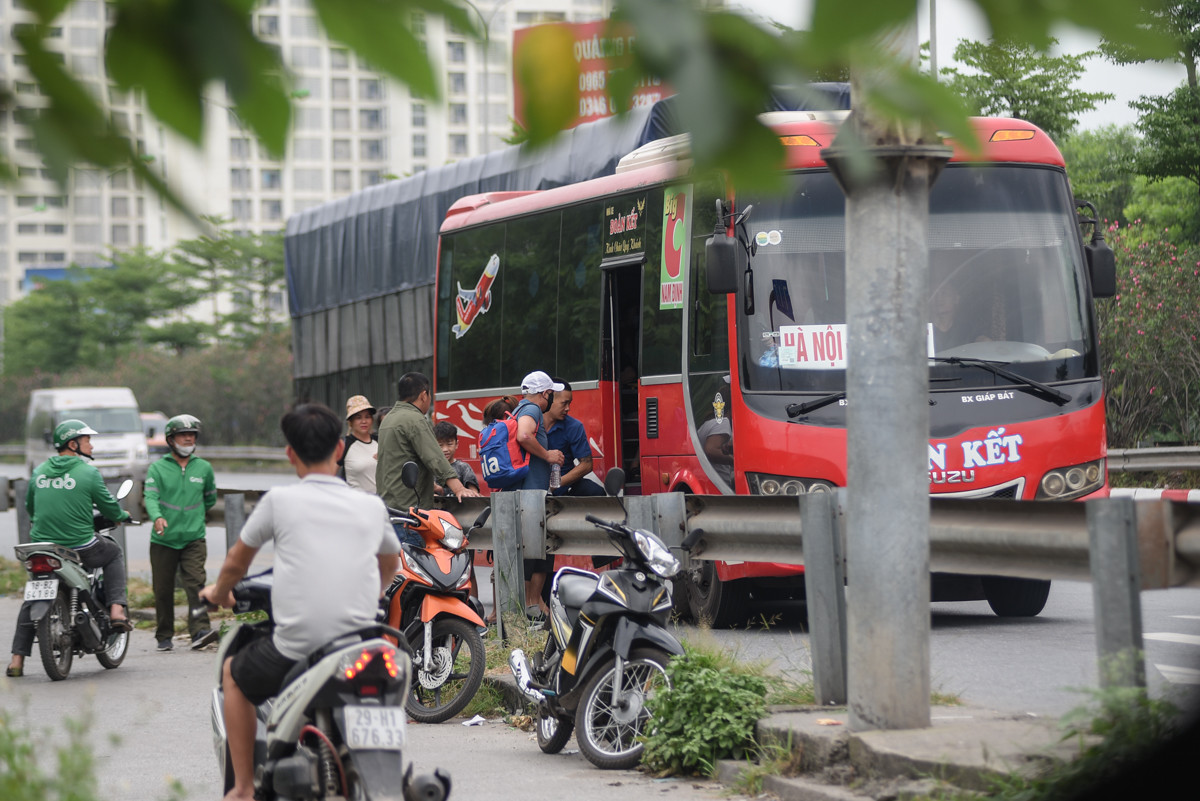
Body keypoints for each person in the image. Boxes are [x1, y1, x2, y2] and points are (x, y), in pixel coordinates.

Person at [199, 404, 400, 801]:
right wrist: (371, 595)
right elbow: (390, 564)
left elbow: (238, 561)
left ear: (290, 454)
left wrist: (219, 593)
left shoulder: (279, 501)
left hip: (297, 647)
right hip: (362, 643)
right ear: (340, 449)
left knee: (233, 675)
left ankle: (241, 789)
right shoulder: (371, 506)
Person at [7, 419, 132, 678]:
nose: (92, 445)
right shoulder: (88, 473)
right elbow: (109, 508)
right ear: (73, 444)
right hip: (79, 547)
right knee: (113, 552)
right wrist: (122, 514)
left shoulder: (39, 471)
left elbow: (31, 507)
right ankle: (117, 608)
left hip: (42, 547)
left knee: (33, 596)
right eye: (87, 440)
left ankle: (17, 660)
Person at [375, 372, 479, 547]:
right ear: (424, 395)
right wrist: (459, 488)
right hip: (410, 516)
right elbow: (435, 458)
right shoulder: (415, 419)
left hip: (389, 512)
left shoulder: (389, 419)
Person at [144, 413, 218, 653]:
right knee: (163, 589)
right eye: (182, 435)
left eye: (192, 435)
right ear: (170, 439)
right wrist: (158, 517)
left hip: (194, 538)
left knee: (196, 584)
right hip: (164, 539)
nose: (188, 439)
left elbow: (210, 499)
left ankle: (200, 631)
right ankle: (164, 635)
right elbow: (150, 497)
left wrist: (194, 520)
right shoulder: (157, 468)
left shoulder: (204, 468)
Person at [512, 371, 566, 617]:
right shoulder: (533, 410)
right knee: (533, 548)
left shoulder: (519, 408)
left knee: (531, 548)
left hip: (525, 491)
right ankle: (527, 606)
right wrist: (547, 455)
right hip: (531, 493)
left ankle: (530, 605)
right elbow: (523, 435)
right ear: (545, 394)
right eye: (551, 393)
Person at [544, 379, 604, 499]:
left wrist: (555, 484)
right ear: (549, 399)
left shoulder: (574, 426)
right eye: (564, 403)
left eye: (569, 403)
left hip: (565, 487)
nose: (568, 408)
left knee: (595, 491)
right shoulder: (530, 424)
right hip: (534, 486)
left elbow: (586, 464)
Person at [338, 394, 379, 492]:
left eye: (367, 416)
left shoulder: (379, 441)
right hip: (356, 504)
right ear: (351, 422)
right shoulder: (344, 444)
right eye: (358, 417)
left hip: (382, 504)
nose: (364, 421)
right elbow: (330, 474)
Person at [433, 421, 479, 497]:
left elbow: (474, 493)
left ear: (456, 444)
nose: (445, 449)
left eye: (449, 444)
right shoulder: (432, 469)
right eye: (440, 445)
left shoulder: (464, 467)